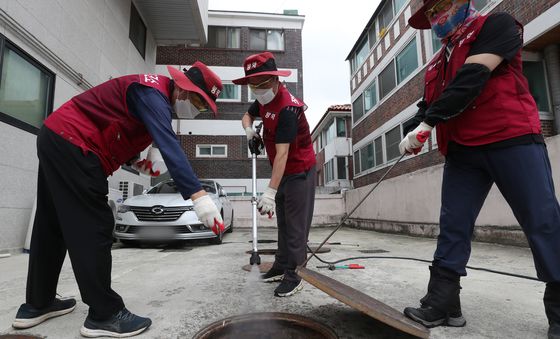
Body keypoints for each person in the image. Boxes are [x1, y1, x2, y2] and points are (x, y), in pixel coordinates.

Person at [12, 62, 225, 338]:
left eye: (205, 106)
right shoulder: (152, 93)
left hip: (56, 137)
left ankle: (37, 304)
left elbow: (112, 123)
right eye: (198, 99)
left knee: (51, 224)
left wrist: (136, 162)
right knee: (95, 227)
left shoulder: (151, 94)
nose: (198, 108)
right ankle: (104, 314)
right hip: (76, 145)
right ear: (183, 87)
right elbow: (170, 144)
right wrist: (199, 197)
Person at [399, 0, 560, 337]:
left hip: (511, 138)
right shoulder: (438, 60)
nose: (436, 16)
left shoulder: (496, 26)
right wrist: (411, 129)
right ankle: (443, 303)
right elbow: (429, 105)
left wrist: (427, 124)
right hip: (462, 151)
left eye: (441, 6)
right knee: (453, 223)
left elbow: (473, 77)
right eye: (430, 13)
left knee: (542, 220)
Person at [234, 52, 316, 297]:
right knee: (282, 221)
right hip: (281, 173)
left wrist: (269, 192)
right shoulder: (263, 100)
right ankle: (281, 265)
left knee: (296, 226)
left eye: (263, 83)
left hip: (299, 170)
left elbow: (282, 155)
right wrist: (250, 132)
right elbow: (247, 115)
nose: (258, 89)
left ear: (276, 79)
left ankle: (296, 274)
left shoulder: (288, 108)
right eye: (253, 85)